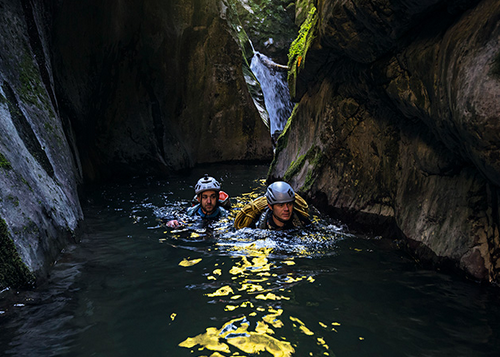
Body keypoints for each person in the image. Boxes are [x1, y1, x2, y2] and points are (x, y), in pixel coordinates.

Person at [240, 181, 311, 230]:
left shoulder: (302, 221)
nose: (286, 209)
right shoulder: (256, 225)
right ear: (270, 206)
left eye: (289, 204)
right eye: (281, 205)